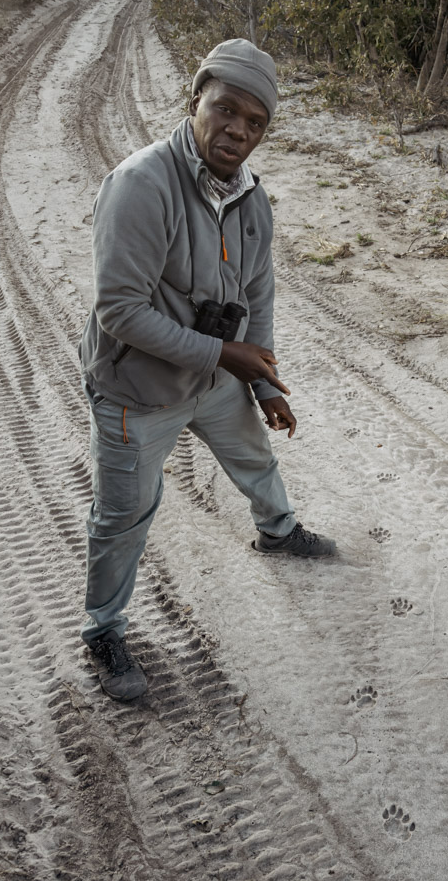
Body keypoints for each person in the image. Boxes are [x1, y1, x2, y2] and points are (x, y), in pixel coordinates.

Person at [78, 38, 336, 702]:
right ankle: (103, 632)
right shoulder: (140, 184)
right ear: (195, 100)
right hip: (140, 388)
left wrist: (264, 382)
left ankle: (278, 532)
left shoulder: (251, 198)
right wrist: (228, 356)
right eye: (226, 110)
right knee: (124, 515)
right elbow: (120, 312)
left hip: (215, 380)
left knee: (254, 451)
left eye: (255, 123)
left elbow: (257, 297)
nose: (238, 132)